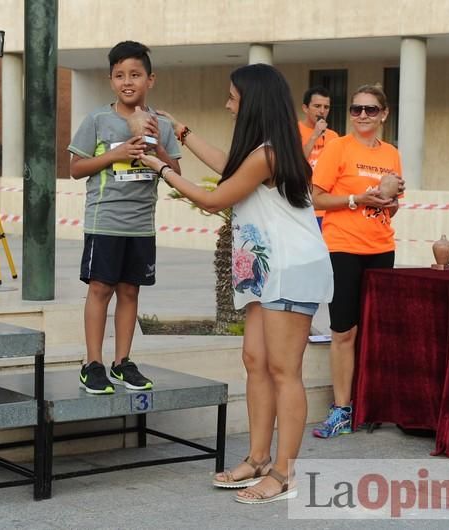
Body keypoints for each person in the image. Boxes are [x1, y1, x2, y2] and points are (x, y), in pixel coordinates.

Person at [137, 63, 333, 504]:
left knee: (285, 371)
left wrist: (161, 169)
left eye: (232, 97)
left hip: (289, 268)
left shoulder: (268, 154)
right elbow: (229, 166)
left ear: (251, 102)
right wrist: (182, 133)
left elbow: (213, 198)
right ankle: (259, 458)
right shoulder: (262, 151)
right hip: (266, 269)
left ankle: (284, 473)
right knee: (255, 360)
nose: (227, 104)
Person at [68, 41, 182, 394]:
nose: (127, 82)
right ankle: (93, 363)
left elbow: (174, 170)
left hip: (141, 225)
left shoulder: (161, 123)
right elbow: (75, 168)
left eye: (135, 74)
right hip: (105, 221)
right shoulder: (98, 119)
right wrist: (117, 152)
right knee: (101, 288)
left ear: (151, 79)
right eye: (119, 75)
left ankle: (122, 362)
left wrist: (156, 144)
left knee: (130, 291)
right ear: (111, 80)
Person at [311, 84, 404, 439]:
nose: (362, 115)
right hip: (344, 247)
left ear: (384, 114)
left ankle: (368, 405)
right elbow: (317, 196)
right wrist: (356, 198)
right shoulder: (338, 148)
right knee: (344, 330)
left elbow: (393, 204)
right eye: (355, 109)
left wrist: (388, 201)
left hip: (381, 247)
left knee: (373, 331)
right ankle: (341, 409)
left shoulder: (392, 153)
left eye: (369, 109)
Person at [298, 86, 340, 227]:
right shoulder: (293, 131)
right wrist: (315, 135)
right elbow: (297, 163)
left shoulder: (333, 137)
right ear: (305, 108)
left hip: (326, 210)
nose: (322, 111)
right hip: (301, 207)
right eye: (317, 106)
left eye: (326, 107)